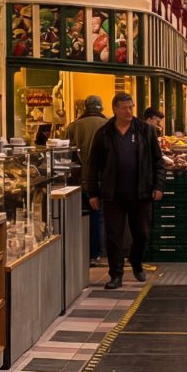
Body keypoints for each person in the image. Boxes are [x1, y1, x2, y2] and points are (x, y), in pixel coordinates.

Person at [84, 93, 164, 289]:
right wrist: (92, 192)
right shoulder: (104, 133)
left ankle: (136, 262)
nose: (129, 111)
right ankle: (116, 274)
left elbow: (158, 161)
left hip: (141, 192)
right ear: (115, 109)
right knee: (113, 235)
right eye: (125, 108)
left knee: (142, 233)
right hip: (113, 194)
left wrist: (158, 186)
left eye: (131, 107)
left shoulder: (146, 131)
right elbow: (93, 165)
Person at [64, 96, 110, 267]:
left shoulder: (74, 126)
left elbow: (65, 154)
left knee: (85, 215)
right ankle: (99, 252)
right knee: (101, 216)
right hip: (105, 179)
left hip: (80, 180)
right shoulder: (109, 125)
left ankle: (85, 252)